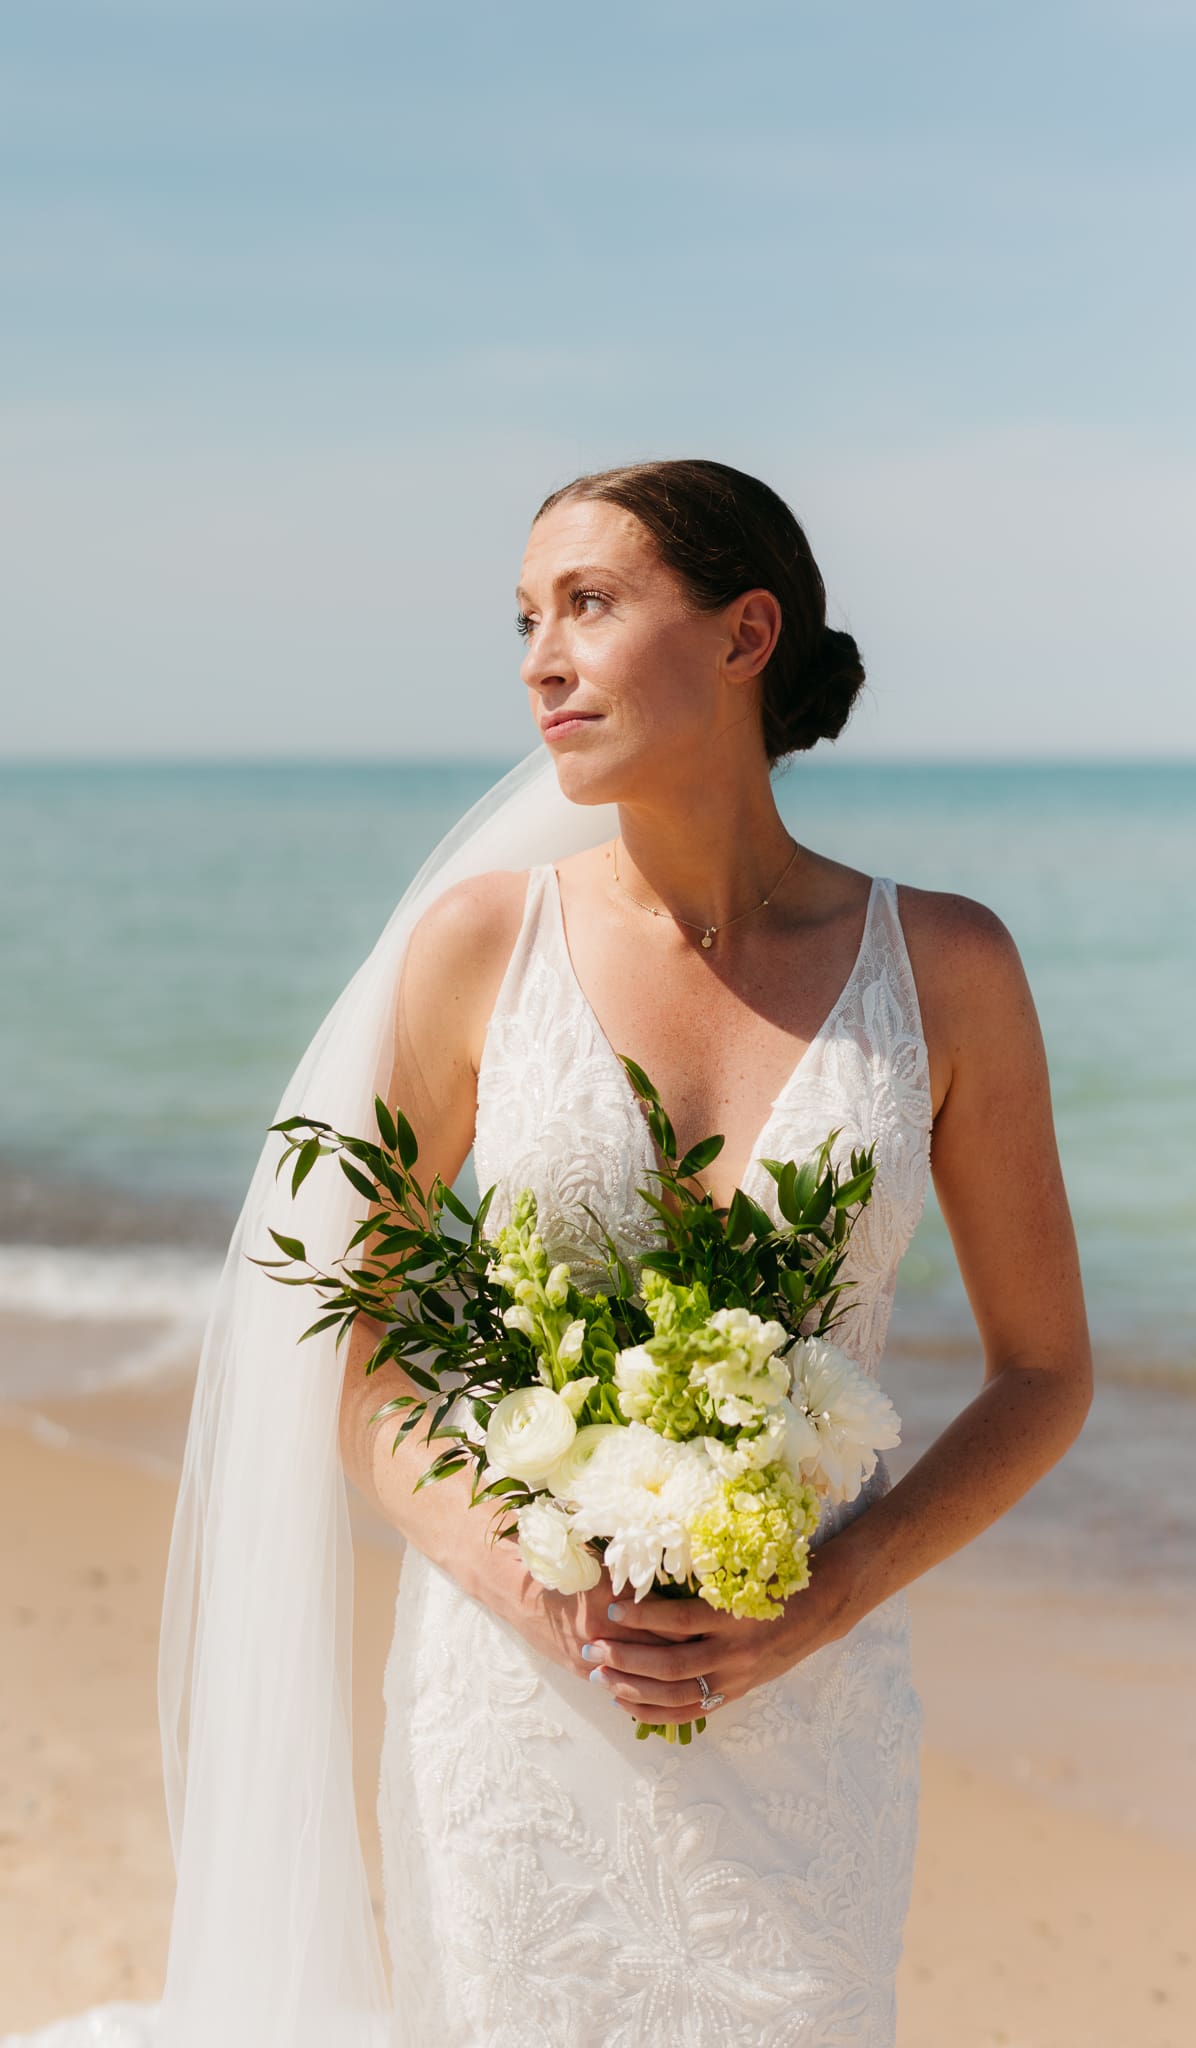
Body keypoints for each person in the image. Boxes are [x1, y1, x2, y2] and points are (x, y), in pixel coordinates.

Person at [6, 458, 1092, 2048]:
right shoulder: (475, 952)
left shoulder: (946, 966)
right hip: (518, 1698)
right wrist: (524, 1581)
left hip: (808, 1703)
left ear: (743, 634)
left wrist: (831, 1590)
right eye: (523, 618)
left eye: (587, 603)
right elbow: (343, 1335)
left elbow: (1045, 1370)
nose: (538, 657)